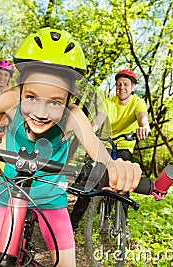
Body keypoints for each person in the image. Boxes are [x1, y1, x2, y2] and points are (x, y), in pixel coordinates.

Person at [0, 28, 142, 267]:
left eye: (55, 102)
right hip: (6, 194)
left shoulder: (72, 115)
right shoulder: (11, 99)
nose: (40, 113)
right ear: (20, 90)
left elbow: (102, 156)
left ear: (69, 100)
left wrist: (117, 168)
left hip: (51, 199)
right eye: (31, 97)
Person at [70, 68, 151, 231]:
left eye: (126, 84)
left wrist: (145, 127)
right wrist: (90, 129)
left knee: (124, 176)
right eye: (119, 84)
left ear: (133, 87)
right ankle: (73, 221)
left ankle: (123, 223)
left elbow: (142, 117)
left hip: (125, 144)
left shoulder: (137, 102)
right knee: (93, 178)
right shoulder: (108, 102)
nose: (122, 87)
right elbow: (100, 118)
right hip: (105, 142)